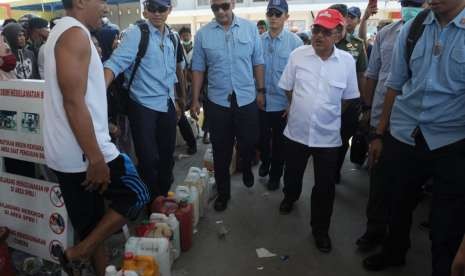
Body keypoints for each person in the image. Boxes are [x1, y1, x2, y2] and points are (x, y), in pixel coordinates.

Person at [42, 0, 149, 274]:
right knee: (136, 194)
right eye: (101, 1)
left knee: (91, 225)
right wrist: (96, 158)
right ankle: (80, 251)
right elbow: (73, 102)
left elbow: (81, 97)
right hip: (83, 154)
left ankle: (86, 257)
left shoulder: (62, 31)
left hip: (69, 153)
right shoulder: (75, 35)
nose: (106, 7)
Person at [364, 0, 465, 274]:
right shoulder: (414, 28)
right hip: (404, 135)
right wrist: (379, 133)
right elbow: (394, 84)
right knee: (397, 205)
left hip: (451, 143)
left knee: (446, 222)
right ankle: (394, 252)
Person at [278, 9, 359, 253]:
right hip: (297, 133)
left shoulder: (347, 61)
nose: (319, 36)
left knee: (324, 187)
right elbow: (288, 88)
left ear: (338, 33)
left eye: (326, 31)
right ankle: (290, 196)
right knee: (292, 173)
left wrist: (325, 112)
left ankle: (320, 230)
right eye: (316, 30)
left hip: (328, 137)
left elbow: (347, 99)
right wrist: (299, 108)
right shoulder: (297, 56)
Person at [356, 0, 426, 253]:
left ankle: (396, 243)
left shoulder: (435, 33)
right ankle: (374, 231)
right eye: (406, 2)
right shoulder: (387, 34)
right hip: (381, 122)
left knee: (405, 190)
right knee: (380, 183)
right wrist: (367, 111)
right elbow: (373, 75)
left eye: (416, 3)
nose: (411, 7)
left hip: (418, 127)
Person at [191, 0, 265, 212]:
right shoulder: (203, 34)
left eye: (224, 5)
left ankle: (247, 162)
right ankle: (224, 193)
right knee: (221, 150)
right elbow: (198, 68)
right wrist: (195, 99)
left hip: (246, 98)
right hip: (217, 102)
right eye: (215, 7)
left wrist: (261, 91)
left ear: (233, 3)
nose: (221, 11)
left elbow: (258, 62)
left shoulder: (250, 29)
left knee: (249, 139)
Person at [104, 0, 182, 199]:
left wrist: (176, 100)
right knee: (148, 160)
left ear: (169, 10)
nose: (156, 13)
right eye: (152, 8)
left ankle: (163, 195)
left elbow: (172, 72)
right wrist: (96, 90)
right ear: (145, 10)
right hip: (142, 106)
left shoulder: (173, 37)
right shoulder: (137, 33)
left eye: (161, 9)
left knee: (167, 157)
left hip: (166, 104)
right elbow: (115, 63)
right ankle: (152, 202)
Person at [258, 0, 303, 191]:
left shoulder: (296, 43)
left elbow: (300, 77)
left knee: (279, 143)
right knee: (260, 138)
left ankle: (275, 175)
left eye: (278, 14)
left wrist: (292, 103)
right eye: (270, 14)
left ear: (286, 16)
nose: (274, 18)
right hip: (261, 101)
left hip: (282, 104)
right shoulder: (258, 41)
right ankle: (265, 161)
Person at [329, 4, 368, 184]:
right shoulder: (320, 40)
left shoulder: (357, 45)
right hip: (325, 101)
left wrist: (364, 104)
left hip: (349, 105)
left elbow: (362, 75)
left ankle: (335, 170)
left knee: (343, 139)